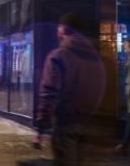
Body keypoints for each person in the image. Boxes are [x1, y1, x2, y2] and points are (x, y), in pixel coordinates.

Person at [36, 13, 105, 166]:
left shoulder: (59, 56)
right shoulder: (96, 57)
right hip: (91, 124)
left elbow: (49, 92)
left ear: (63, 29)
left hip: (66, 123)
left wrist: (42, 126)